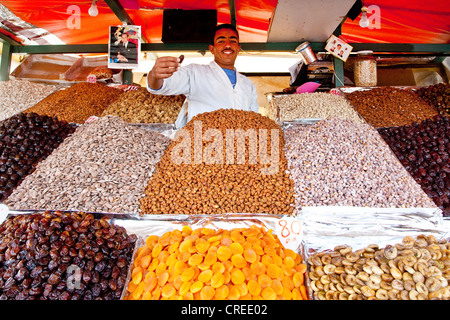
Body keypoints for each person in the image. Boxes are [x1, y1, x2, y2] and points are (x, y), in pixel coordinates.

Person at [146, 24, 259, 128]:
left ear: (238, 48)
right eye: (221, 41)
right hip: (202, 145)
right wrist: (155, 75)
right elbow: (161, 86)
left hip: (239, 147)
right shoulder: (194, 73)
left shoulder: (248, 85)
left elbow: (255, 121)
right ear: (212, 49)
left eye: (233, 41)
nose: (228, 45)